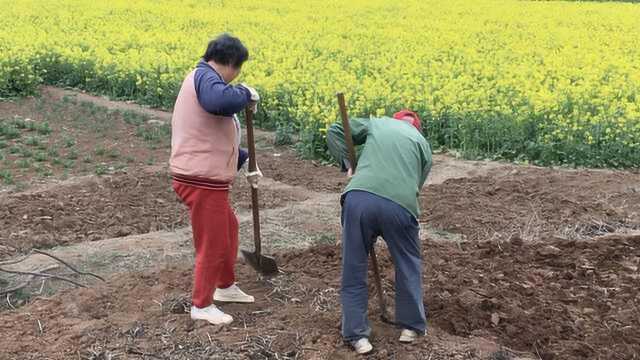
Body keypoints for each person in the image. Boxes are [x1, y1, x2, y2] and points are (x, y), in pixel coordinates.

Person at [170, 34, 262, 326]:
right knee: (212, 241)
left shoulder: (205, 79)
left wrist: (244, 160)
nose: (237, 76)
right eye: (239, 70)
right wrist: (245, 93)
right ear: (231, 64)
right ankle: (201, 304)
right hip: (199, 179)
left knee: (228, 230)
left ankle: (224, 287)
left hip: (204, 176)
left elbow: (209, 133)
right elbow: (219, 102)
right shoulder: (206, 78)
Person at [326, 110, 432, 355]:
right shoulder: (423, 145)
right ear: (418, 128)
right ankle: (411, 327)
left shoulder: (378, 123)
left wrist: (348, 163)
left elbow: (336, 131)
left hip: (360, 198)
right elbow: (416, 187)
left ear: (395, 121)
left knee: (354, 265)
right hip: (400, 206)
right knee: (408, 263)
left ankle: (357, 335)